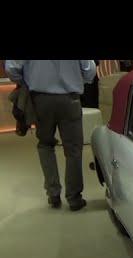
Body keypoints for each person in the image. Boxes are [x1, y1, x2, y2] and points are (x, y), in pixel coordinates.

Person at [4, 60, 96, 210]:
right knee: (74, 149)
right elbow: (89, 70)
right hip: (70, 98)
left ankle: (53, 194)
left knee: (45, 144)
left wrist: (27, 80)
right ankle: (74, 198)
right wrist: (78, 81)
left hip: (40, 99)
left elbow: (11, 68)